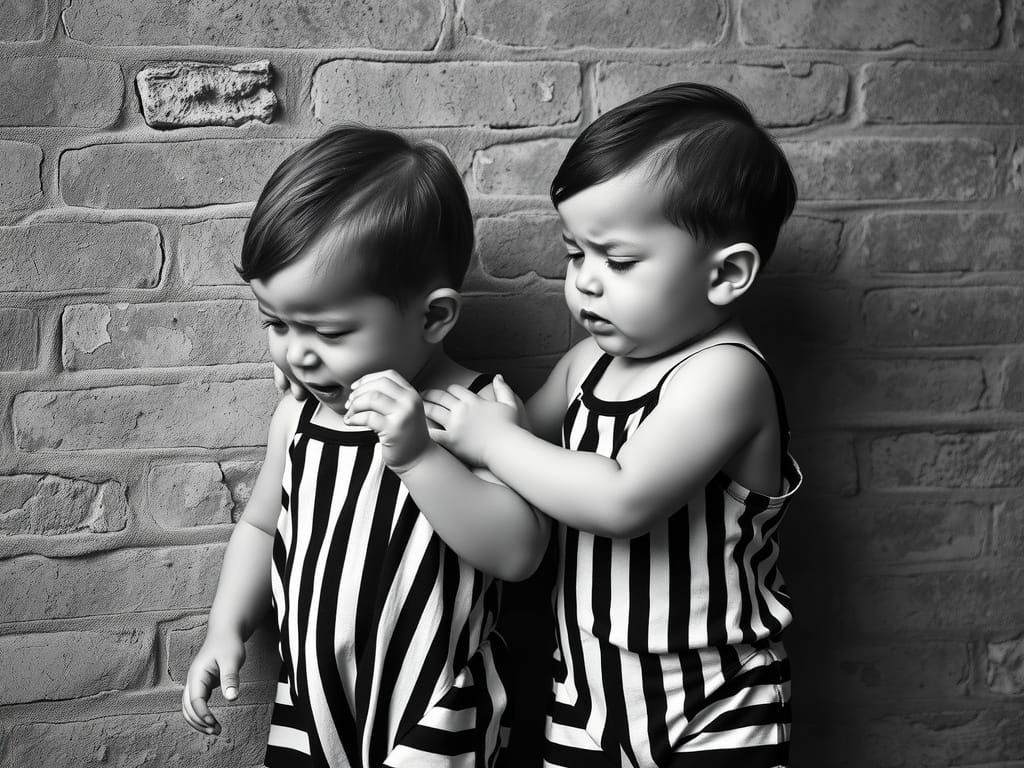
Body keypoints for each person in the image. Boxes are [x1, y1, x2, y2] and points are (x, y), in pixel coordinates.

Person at [423, 82, 803, 767]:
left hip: (714, 690)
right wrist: (422, 401)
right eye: (576, 254)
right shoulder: (587, 366)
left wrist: (494, 437)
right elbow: (513, 462)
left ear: (727, 274)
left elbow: (620, 499)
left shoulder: (725, 375)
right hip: (590, 686)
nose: (587, 282)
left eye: (618, 260)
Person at [180, 125, 549, 768]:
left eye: (327, 331)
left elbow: (518, 553)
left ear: (432, 317)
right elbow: (263, 526)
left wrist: (418, 457)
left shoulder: (475, 412)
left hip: (434, 701)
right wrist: (227, 625)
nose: (295, 353)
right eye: (276, 324)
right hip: (313, 699)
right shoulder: (297, 413)